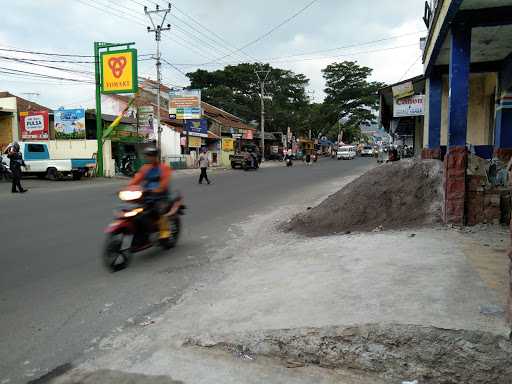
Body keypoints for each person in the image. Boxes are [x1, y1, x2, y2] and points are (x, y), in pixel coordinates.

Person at [129, 147, 172, 241]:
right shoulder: (144, 168)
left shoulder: (164, 168)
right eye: (147, 156)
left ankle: (165, 232)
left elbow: (164, 183)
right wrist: (127, 188)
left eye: (151, 156)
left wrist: (157, 189)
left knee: (160, 211)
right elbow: (136, 180)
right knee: (135, 211)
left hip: (161, 196)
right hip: (147, 195)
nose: (149, 158)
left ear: (156, 157)